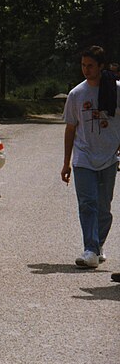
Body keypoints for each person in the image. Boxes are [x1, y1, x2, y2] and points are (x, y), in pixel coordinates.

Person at [61, 45, 120, 269]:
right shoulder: (76, 94)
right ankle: (90, 250)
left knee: (104, 207)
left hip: (108, 157)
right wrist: (66, 162)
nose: (86, 70)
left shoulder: (116, 90)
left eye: (91, 66)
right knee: (87, 204)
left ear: (101, 66)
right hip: (83, 157)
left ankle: (98, 245)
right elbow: (70, 128)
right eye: (83, 65)